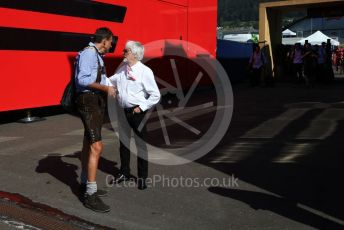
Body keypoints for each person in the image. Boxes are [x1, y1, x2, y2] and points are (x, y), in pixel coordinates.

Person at [109, 40, 160, 190]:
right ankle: (124, 172)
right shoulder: (123, 69)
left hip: (137, 113)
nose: (123, 53)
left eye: (126, 51)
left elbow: (155, 95)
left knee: (140, 145)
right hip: (123, 111)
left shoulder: (145, 71)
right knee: (123, 144)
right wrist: (98, 77)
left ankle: (142, 178)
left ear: (135, 54)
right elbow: (110, 81)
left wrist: (142, 107)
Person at [75, 27, 116, 212]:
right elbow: (82, 80)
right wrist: (106, 89)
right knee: (96, 146)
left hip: (95, 100)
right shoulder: (89, 54)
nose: (112, 45)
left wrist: (112, 86)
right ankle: (90, 195)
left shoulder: (97, 55)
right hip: (88, 100)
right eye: (111, 41)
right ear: (105, 40)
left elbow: (100, 78)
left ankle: (85, 183)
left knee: (88, 141)